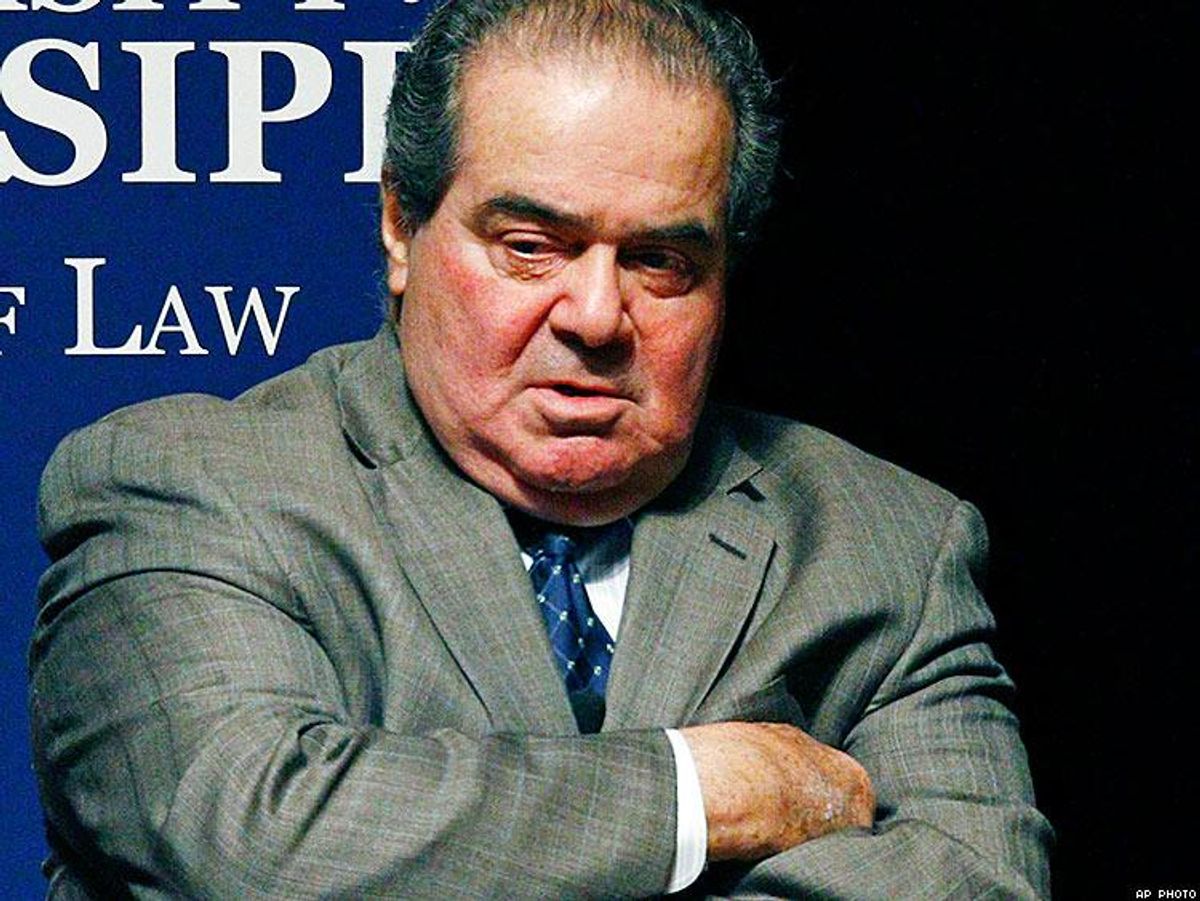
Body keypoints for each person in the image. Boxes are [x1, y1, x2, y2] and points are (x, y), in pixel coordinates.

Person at [28, 0, 1053, 897]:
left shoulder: (889, 546)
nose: (596, 316)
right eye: (531, 247)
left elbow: (977, 878)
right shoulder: (186, 486)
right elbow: (258, 847)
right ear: (400, 224)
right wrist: (704, 795)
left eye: (660, 261)